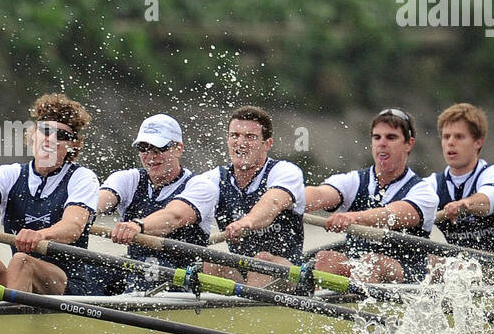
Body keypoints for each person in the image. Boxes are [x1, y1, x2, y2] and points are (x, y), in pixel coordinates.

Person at [0, 94, 100, 295]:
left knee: (21, 261)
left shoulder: (82, 178)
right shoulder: (10, 174)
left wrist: (40, 235)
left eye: (61, 136)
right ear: (33, 134)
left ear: (73, 145)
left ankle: (12, 321)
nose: (50, 139)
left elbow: (73, 227)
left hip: (68, 288)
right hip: (21, 279)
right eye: (45, 131)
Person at [304, 108, 438, 282]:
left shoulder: (423, 192)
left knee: (373, 263)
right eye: (377, 137)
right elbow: (319, 194)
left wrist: (352, 218)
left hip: (408, 278)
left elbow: (392, 214)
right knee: (324, 259)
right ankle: (329, 303)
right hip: (359, 270)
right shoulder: (354, 181)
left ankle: (348, 300)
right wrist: (288, 199)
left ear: (409, 144)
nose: (382, 143)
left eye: (391, 137)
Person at [96, 114, 218, 292]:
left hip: (182, 289)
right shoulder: (127, 179)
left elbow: (174, 216)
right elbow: (95, 203)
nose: (151, 156)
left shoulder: (201, 186)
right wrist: (80, 215)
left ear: (178, 148)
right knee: (93, 273)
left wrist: (138, 226)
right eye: (144, 148)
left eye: (159, 149)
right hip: (136, 281)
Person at [203, 106, 305, 287]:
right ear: (227, 140)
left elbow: (273, 202)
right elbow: (182, 210)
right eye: (234, 135)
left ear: (267, 144)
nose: (240, 143)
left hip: (288, 272)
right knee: (210, 262)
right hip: (241, 271)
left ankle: (247, 310)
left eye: (250, 137)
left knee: (261, 260)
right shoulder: (214, 179)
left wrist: (245, 223)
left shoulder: (285, 171)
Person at [423, 103, 494, 256]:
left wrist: (464, 205)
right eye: (446, 137)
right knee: (428, 260)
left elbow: (488, 200)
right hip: (458, 271)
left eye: (459, 136)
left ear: (478, 142)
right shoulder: (432, 184)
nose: (450, 142)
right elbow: (410, 208)